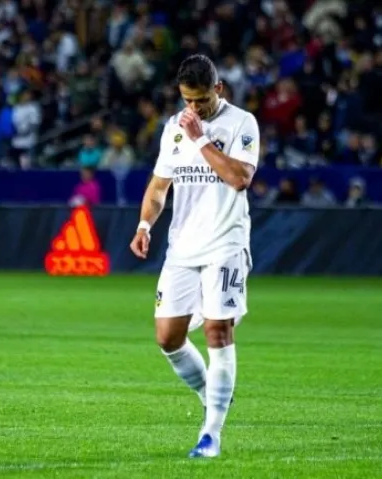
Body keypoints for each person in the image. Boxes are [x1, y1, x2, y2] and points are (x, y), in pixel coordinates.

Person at [129, 54, 260, 458]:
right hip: (182, 247)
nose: (194, 108)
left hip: (225, 243)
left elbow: (239, 178)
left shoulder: (242, 123)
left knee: (218, 331)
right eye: (187, 100)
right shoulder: (174, 128)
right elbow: (158, 188)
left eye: (201, 100)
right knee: (168, 338)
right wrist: (145, 225)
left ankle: (211, 435)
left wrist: (201, 138)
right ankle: (212, 394)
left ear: (218, 89)